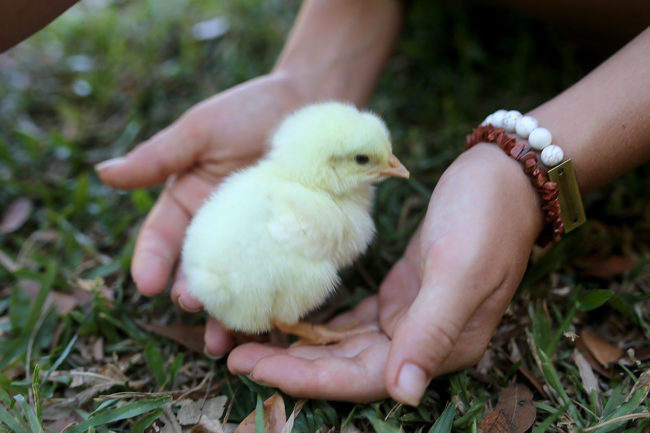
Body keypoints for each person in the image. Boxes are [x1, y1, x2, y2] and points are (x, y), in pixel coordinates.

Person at [4, 0, 650, 406]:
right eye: (372, 161)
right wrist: (316, 70)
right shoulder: (312, 207)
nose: (391, 169)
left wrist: (529, 164)